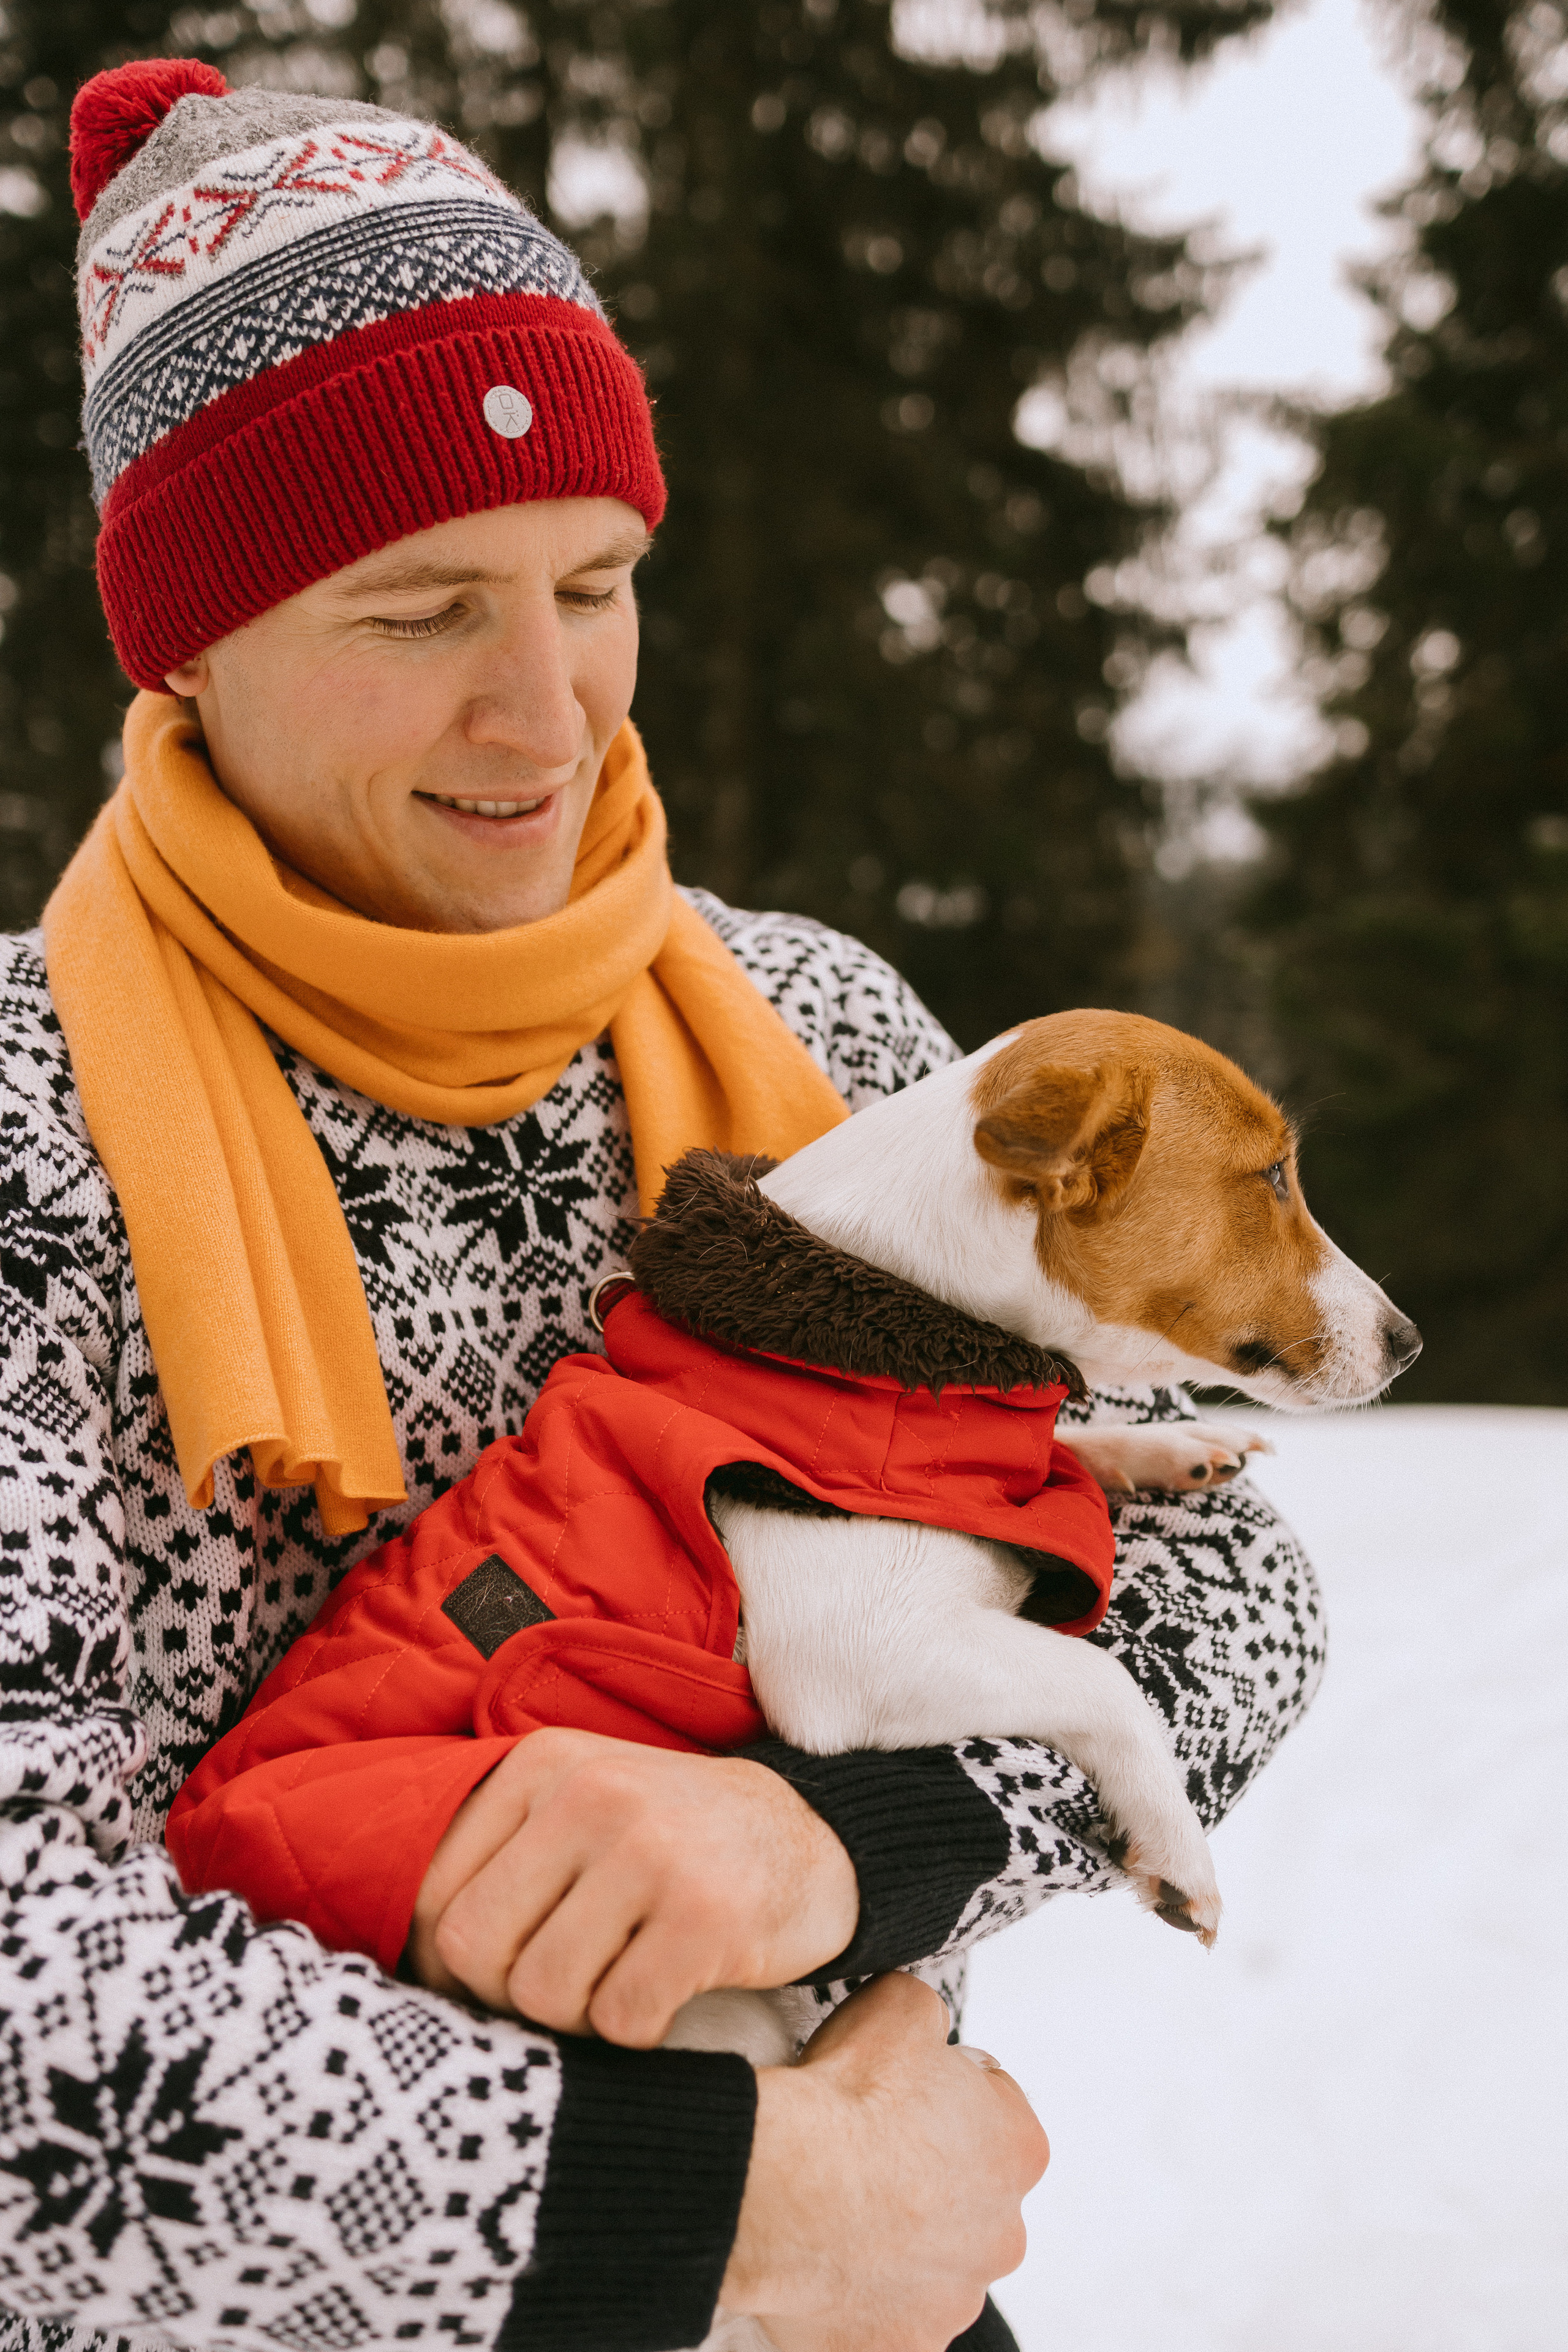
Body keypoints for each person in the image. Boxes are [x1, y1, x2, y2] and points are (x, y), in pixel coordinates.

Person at [0, 55, 1325, 2352]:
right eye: (420, 611)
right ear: (189, 644)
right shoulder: (30, 1134)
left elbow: (1233, 1589)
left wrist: (854, 1843)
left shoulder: (807, 1027)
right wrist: (698, 2203)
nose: (550, 712)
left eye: (595, 584)